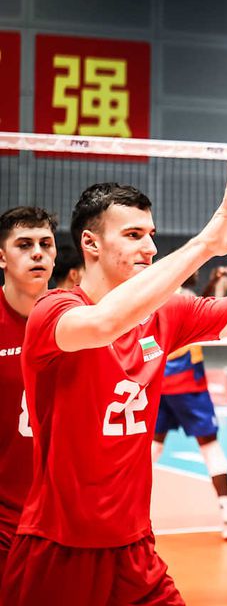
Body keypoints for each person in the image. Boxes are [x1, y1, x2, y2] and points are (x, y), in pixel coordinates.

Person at [0, 163, 227, 605]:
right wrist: (203, 245)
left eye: (151, 235)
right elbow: (104, 323)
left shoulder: (168, 313)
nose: (150, 247)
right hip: (59, 546)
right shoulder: (53, 311)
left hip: (134, 548)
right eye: (133, 235)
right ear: (90, 243)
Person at [151, 273, 227, 541]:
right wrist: (219, 287)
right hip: (187, 381)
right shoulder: (186, 298)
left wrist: (214, 283)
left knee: (153, 446)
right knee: (210, 446)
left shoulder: (157, 296)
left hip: (159, 379)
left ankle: (125, 508)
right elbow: (205, 308)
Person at [0, 207, 57, 588]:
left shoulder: (77, 317)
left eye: (45, 244)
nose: (38, 252)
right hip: (4, 517)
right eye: (24, 244)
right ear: (1, 257)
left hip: (60, 518)